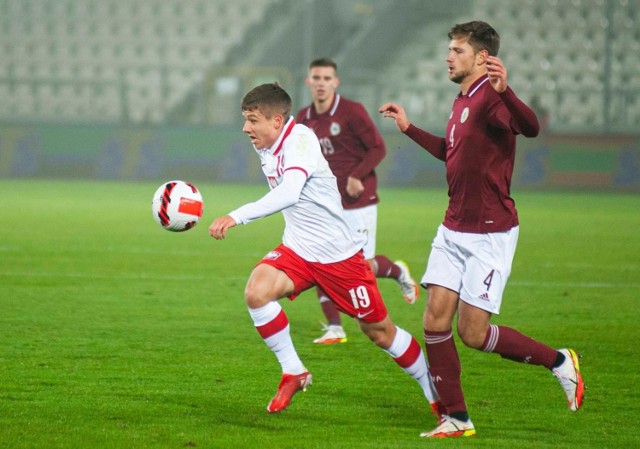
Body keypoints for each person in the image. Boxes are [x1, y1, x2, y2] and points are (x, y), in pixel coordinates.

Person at [379, 21, 585, 438]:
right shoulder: (461, 100)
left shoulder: (492, 98)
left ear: (481, 57)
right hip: (452, 227)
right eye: (450, 49)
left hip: (489, 233)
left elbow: (531, 129)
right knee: (435, 323)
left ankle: (560, 362)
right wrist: (409, 129)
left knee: (472, 333)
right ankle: (455, 417)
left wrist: (506, 89)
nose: (448, 56)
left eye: (457, 50)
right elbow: (449, 152)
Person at [209, 82, 443, 421]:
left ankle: (437, 396)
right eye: (245, 119)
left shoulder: (300, 140)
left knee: (380, 333)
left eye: (252, 120)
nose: (246, 128)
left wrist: (236, 216)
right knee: (256, 292)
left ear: (276, 120)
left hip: (339, 257)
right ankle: (294, 371)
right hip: (298, 250)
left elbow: (290, 193)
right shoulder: (267, 142)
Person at [296, 57, 419, 345]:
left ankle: (398, 271)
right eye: (316, 78)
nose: (321, 83)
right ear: (308, 82)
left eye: (327, 78)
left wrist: (357, 175)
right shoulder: (303, 119)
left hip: (358, 199)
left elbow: (378, 147)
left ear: (335, 82)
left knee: (361, 266)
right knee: (319, 260)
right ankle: (335, 328)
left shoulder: (352, 112)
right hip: (325, 204)